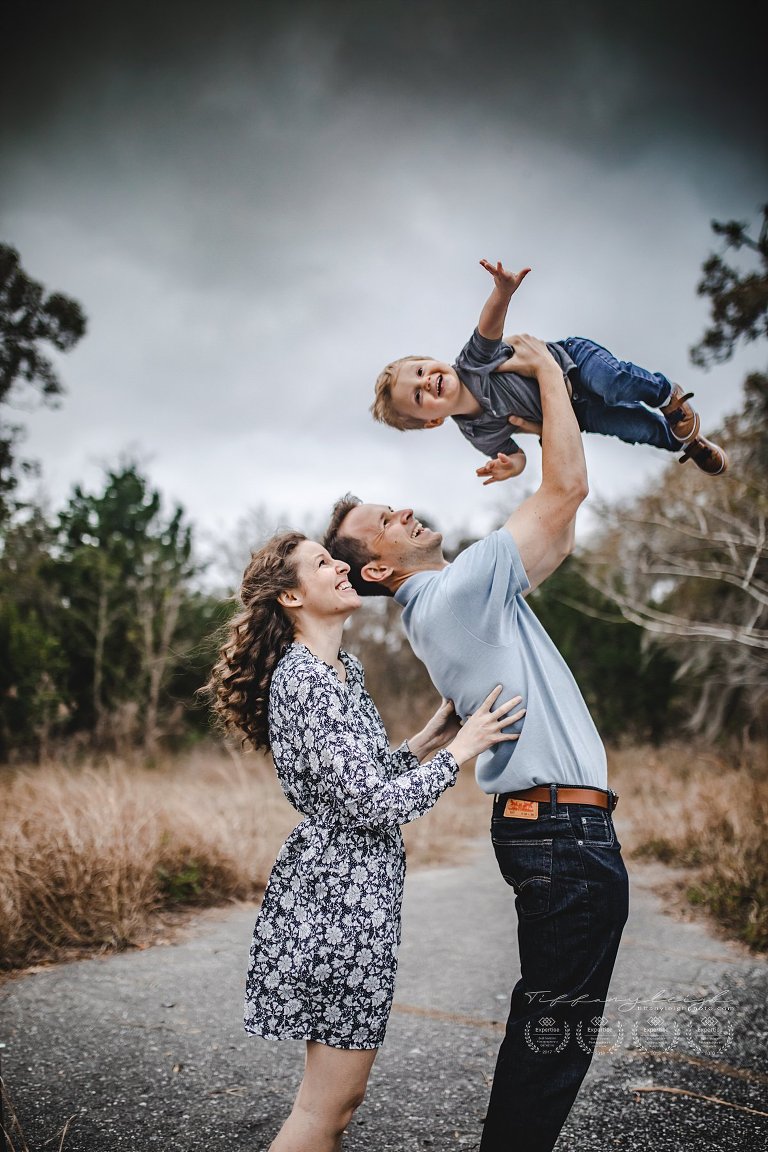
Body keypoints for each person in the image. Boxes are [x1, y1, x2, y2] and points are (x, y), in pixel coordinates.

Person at [324, 335, 630, 1152]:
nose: (399, 511)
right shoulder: (457, 591)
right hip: (560, 835)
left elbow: (557, 532)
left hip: (559, 832)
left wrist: (526, 430)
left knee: (555, 1027)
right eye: (379, 523)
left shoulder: (464, 596)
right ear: (380, 571)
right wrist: (552, 380)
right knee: (554, 1035)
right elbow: (567, 489)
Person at [205, 530, 525, 1152]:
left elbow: (363, 778)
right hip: (335, 899)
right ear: (293, 596)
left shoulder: (337, 669)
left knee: (336, 1101)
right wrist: (462, 750)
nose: (340, 568)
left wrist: (428, 739)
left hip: (351, 892)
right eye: (323, 564)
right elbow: (372, 804)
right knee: (326, 1105)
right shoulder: (308, 680)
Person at [372, 257, 728, 478]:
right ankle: (687, 444)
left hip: (575, 365)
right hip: (576, 416)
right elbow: (515, 455)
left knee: (615, 383)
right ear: (433, 421)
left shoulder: (472, 363)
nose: (427, 382)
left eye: (421, 370)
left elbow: (488, 326)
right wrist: (509, 468)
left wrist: (503, 292)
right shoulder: (477, 434)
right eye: (417, 395)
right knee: (635, 428)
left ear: (430, 360)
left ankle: (667, 395)